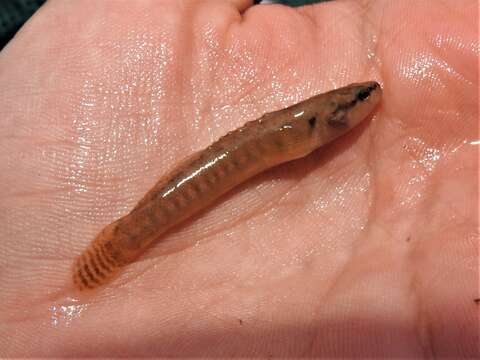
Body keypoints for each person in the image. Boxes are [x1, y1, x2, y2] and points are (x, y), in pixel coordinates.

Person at [0, 0, 477, 357]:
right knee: (145, 222)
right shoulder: (316, 123)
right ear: (331, 116)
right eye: (350, 104)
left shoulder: (319, 123)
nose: (366, 100)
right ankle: (114, 252)